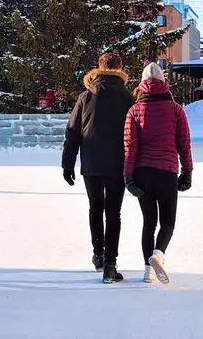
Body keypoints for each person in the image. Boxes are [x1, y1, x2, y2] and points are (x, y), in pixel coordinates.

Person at [62, 52, 135, 284]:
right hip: (118, 163)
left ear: (99, 68)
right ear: (120, 69)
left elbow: (73, 131)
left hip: (91, 163)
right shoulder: (127, 97)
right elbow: (136, 132)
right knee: (114, 213)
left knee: (95, 207)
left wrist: (68, 163)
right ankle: (110, 266)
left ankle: (98, 255)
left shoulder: (85, 97)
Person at [124, 63, 193, 285]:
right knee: (168, 223)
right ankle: (158, 254)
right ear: (164, 83)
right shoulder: (175, 109)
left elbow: (129, 146)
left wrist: (128, 178)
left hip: (142, 173)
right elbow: (184, 144)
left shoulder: (135, 110)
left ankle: (148, 271)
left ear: (142, 85)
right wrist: (187, 172)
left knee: (149, 222)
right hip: (167, 172)